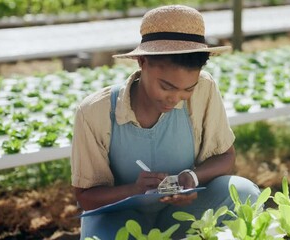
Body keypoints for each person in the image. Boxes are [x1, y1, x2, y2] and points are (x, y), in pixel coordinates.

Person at [71, 5, 261, 239]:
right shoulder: (94, 111)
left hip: (182, 213)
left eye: (187, 90)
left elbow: (226, 157)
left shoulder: (205, 88)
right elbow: (86, 197)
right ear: (142, 61)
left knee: (242, 193)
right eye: (166, 87)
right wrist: (134, 190)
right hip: (122, 220)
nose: (175, 98)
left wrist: (192, 179)